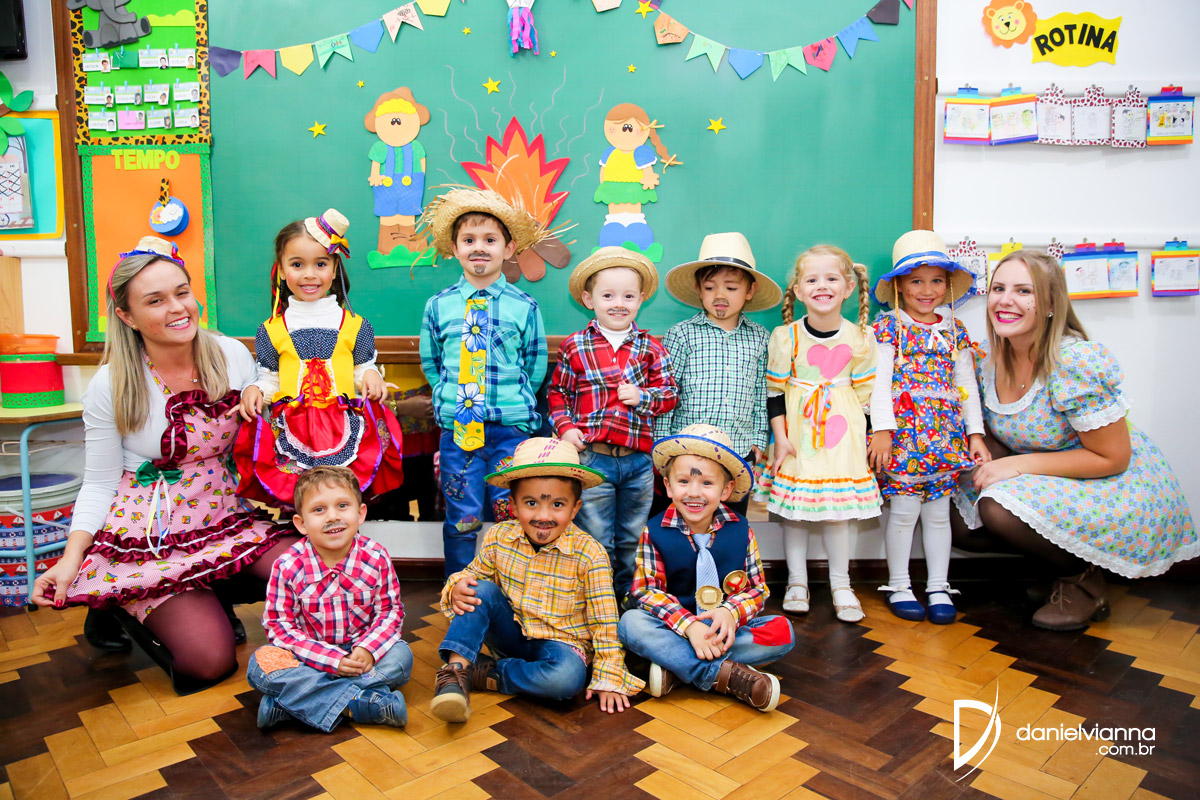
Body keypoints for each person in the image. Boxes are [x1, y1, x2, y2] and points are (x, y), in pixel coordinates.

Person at [31, 237, 297, 693]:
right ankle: (116, 599)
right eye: (155, 300)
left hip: (224, 512)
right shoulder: (111, 384)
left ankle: (211, 589)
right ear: (127, 316)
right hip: (151, 531)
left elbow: (266, 434)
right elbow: (99, 482)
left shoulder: (231, 355)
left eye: (182, 292)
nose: (177, 308)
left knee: (310, 571)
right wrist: (71, 560)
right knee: (208, 662)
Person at [952, 250, 1197, 630]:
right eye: (998, 289)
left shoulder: (1075, 363)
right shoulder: (989, 360)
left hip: (1110, 481)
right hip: (1053, 474)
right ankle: (1055, 567)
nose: (1005, 300)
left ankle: (1082, 582)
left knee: (997, 509)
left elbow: (1112, 457)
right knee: (958, 518)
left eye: (1024, 291)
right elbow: (1002, 433)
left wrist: (1016, 465)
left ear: (1051, 304)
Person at [429, 438, 644, 722]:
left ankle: (488, 674)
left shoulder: (590, 554)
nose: (543, 516)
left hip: (560, 646)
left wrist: (609, 676)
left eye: (557, 504)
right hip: (510, 634)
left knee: (567, 679)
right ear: (513, 506)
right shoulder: (499, 537)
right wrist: (457, 587)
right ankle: (455, 675)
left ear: (575, 509)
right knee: (476, 588)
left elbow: (604, 622)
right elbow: (470, 576)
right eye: (531, 503)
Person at [233, 209, 404, 509]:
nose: (309, 274)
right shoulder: (271, 329)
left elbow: (361, 368)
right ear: (282, 270)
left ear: (335, 268)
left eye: (321, 264)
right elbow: (270, 379)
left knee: (341, 495)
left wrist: (371, 375)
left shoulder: (355, 325)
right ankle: (300, 534)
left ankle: (345, 533)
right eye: (297, 264)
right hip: (293, 428)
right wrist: (255, 390)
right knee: (303, 499)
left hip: (343, 425)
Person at [619, 424, 795, 712]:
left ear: (726, 489)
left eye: (707, 483)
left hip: (722, 630)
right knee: (631, 624)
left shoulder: (742, 530)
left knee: (782, 631)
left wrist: (730, 612)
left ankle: (676, 667)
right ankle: (726, 676)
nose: (694, 493)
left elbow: (757, 589)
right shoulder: (654, 531)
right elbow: (646, 591)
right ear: (668, 486)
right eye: (683, 481)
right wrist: (690, 627)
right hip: (674, 627)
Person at [418, 188, 548, 575]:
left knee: (513, 514)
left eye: (490, 240)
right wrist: (455, 398)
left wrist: (511, 402)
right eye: (469, 240)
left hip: (510, 429)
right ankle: (458, 588)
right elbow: (432, 363)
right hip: (460, 429)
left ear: (508, 249)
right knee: (463, 515)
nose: (479, 248)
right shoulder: (438, 305)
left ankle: (514, 589)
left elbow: (534, 364)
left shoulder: (524, 306)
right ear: (455, 248)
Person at [867, 231, 989, 625]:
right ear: (899, 286)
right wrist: (882, 430)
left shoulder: (955, 330)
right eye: (916, 281)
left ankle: (938, 585)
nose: (927, 290)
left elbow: (966, 385)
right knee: (903, 512)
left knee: (938, 515)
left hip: (945, 438)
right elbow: (878, 384)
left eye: (936, 280)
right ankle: (899, 585)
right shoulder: (888, 328)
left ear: (947, 285)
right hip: (904, 438)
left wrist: (974, 434)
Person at [755, 245, 879, 622]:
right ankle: (797, 582)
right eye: (812, 279)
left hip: (843, 437)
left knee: (838, 515)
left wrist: (867, 440)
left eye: (831, 278)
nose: (821, 286)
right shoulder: (786, 336)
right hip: (796, 435)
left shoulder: (861, 337)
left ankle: (841, 584)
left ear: (848, 288)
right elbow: (774, 392)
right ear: (798, 289)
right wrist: (780, 439)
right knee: (795, 513)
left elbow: (866, 397)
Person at [548, 246, 678, 599]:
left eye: (628, 296)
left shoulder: (651, 348)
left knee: (633, 537)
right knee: (596, 537)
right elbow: (558, 393)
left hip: (638, 463)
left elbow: (669, 394)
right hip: (593, 458)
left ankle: (627, 599)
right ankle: (598, 599)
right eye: (608, 296)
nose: (618, 303)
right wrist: (566, 428)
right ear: (589, 299)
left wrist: (643, 397)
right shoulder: (575, 346)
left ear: (641, 299)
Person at [247, 467, 413, 731]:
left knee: (401, 656)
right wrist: (329, 660)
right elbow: (279, 627)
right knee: (260, 663)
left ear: (360, 514)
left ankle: (290, 705)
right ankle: (360, 703)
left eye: (342, 506)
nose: (333, 516)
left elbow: (390, 612)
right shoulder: (287, 565)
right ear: (301, 524)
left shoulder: (376, 557)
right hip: (309, 659)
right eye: (319, 509)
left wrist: (367, 649)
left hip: (360, 656)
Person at [655, 232, 782, 516]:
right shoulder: (682, 334)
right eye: (710, 287)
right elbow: (667, 392)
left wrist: (758, 440)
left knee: (731, 520)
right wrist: (662, 446)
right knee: (682, 520)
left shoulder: (760, 338)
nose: (720, 296)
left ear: (750, 290)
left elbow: (760, 393)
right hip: (686, 449)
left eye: (731, 287)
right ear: (699, 290)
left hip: (737, 450)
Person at [594, 102, 680, 257]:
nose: (620, 134)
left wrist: (649, 179)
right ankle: (613, 231)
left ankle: (636, 231)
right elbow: (603, 171)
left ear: (643, 130)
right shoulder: (610, 152)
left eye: (627, 128)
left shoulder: (641, 152)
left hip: (634, 187)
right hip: (612, 188)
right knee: (614, 213)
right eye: (612, 129)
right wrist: (604, 186)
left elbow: (647, 170)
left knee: (633, 212)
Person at [365, 87, 431, 255]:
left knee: (408, 215)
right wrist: (375, 176)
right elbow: (375, 165)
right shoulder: (380, 147)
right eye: (393, 121)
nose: (396, 127)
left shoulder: (416, 146)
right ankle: (387, 248)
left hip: (411, 184)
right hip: (386, 184)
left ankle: (410, 245)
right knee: (388, 216)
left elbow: (422, 164)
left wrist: (419, 178)